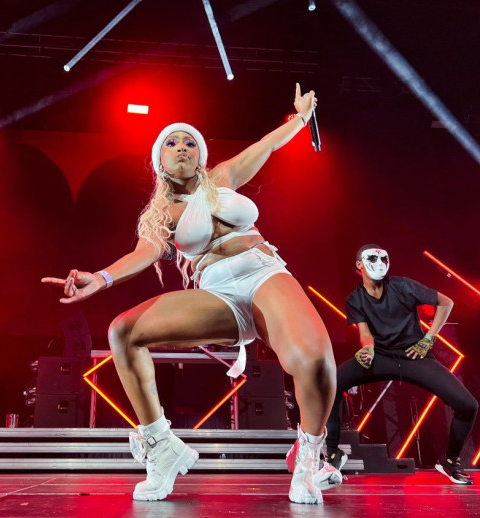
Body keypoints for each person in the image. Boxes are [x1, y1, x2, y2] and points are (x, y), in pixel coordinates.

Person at [43, 84, 337, 504]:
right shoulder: (160, 213)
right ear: (159, 161)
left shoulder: (221, 180)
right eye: (171, 143)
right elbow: (144, 253)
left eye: (189, 143)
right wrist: (101, 278)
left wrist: (301, 119)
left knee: (315, 363)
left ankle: (307, 455)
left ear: (200, 156)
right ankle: (161, 446)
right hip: (217, 291)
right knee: (122, 332)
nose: (182, 147)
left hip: (263, 273)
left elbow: (266, 146)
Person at [320, 244, 478, 485]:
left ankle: (450, 460)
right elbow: (365, 332)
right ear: (359, 265)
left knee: (468, 404)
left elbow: (446, 302)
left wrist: (428, 339)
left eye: (384, 257)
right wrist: (367, 348)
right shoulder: (355, 298)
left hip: (414, 355)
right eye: (373, 257)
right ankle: (333, 453)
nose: (380, 261)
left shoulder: (402, 286)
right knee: (331, 383)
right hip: (380, 357)